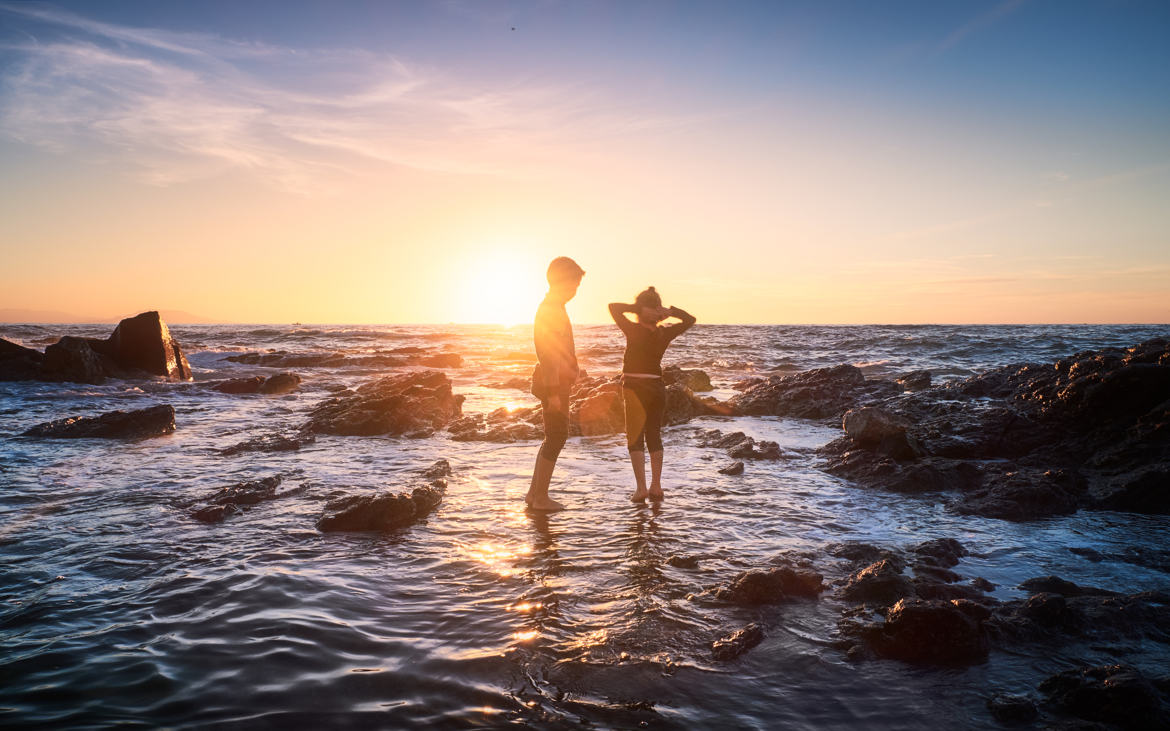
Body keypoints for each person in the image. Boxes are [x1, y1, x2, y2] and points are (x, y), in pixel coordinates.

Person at [609, 287, 696, 502]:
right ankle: (656, 486)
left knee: (635, 438)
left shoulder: (632, 328)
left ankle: (641, 489)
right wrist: (670, 311)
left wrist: (641, 309)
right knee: (653, 435)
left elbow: (614, 308)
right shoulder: (663, 332)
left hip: (636, 388)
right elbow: (689, 319)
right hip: (657, 388)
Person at [525, 256, 585, 512]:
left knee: (553, 435)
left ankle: (533, 493)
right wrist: (553, 394)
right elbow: (549, 355)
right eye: (573, 285)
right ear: (561, 281)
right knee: (558, 436)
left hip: (557, 381)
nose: (575, 291)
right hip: (553, 383)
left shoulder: (554, 307)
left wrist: (573, 365)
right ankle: (540, 498)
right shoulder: (550, 309)